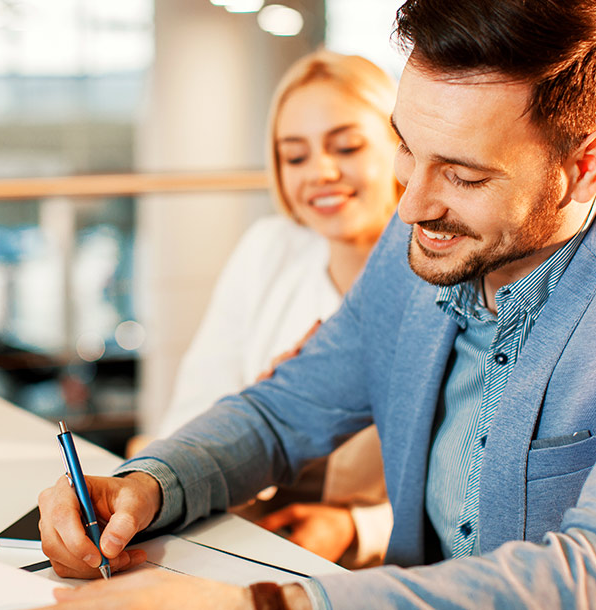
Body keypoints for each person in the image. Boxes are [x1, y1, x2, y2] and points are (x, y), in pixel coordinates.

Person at [36, 1, 596, 608]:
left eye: (461, 175)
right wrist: (147, 484)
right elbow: (282, 412)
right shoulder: (421, 257)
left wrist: (270, 606)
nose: (410, 205)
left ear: (583, 167)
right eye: (405, 149)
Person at [146, 50, 400, 567]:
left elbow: (469, 488)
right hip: (244, 533)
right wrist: (262, 407)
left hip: (378, 566)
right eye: (295, 156)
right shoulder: (269, 249)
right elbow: (191, 415)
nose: (321, 173)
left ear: (402, 147)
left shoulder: (444, 274)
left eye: (346, 146)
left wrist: (356, 528)